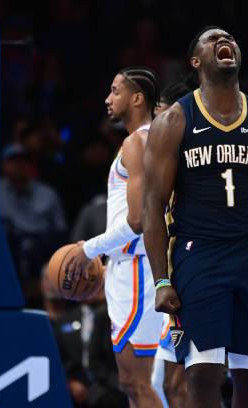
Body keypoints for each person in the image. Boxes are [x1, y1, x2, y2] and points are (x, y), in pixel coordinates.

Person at [143, 26, 248, 408]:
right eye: (212, 39)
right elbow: (152, 206)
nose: (225, 40)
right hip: (199, 252)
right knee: (203, 374)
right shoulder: (174, 121)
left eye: (231, 37)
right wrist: (160, 281)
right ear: (196, 61)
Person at [65, 67, 163, 408]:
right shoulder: (147, 140)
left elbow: (139, 221)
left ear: (137, 98)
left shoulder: (138, 141)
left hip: (138, 270)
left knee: (139, 381)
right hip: (131, 265)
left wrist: (87, 249)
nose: (108, 99)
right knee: (133, 382)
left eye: (115, 90)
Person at [150, 80, 195, 408]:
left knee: (181, 384)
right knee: (167, 384)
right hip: (174, 279)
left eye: (163, 115)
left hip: (195, 279)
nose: (159, 123)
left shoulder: (191, 165)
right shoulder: (162, 161)